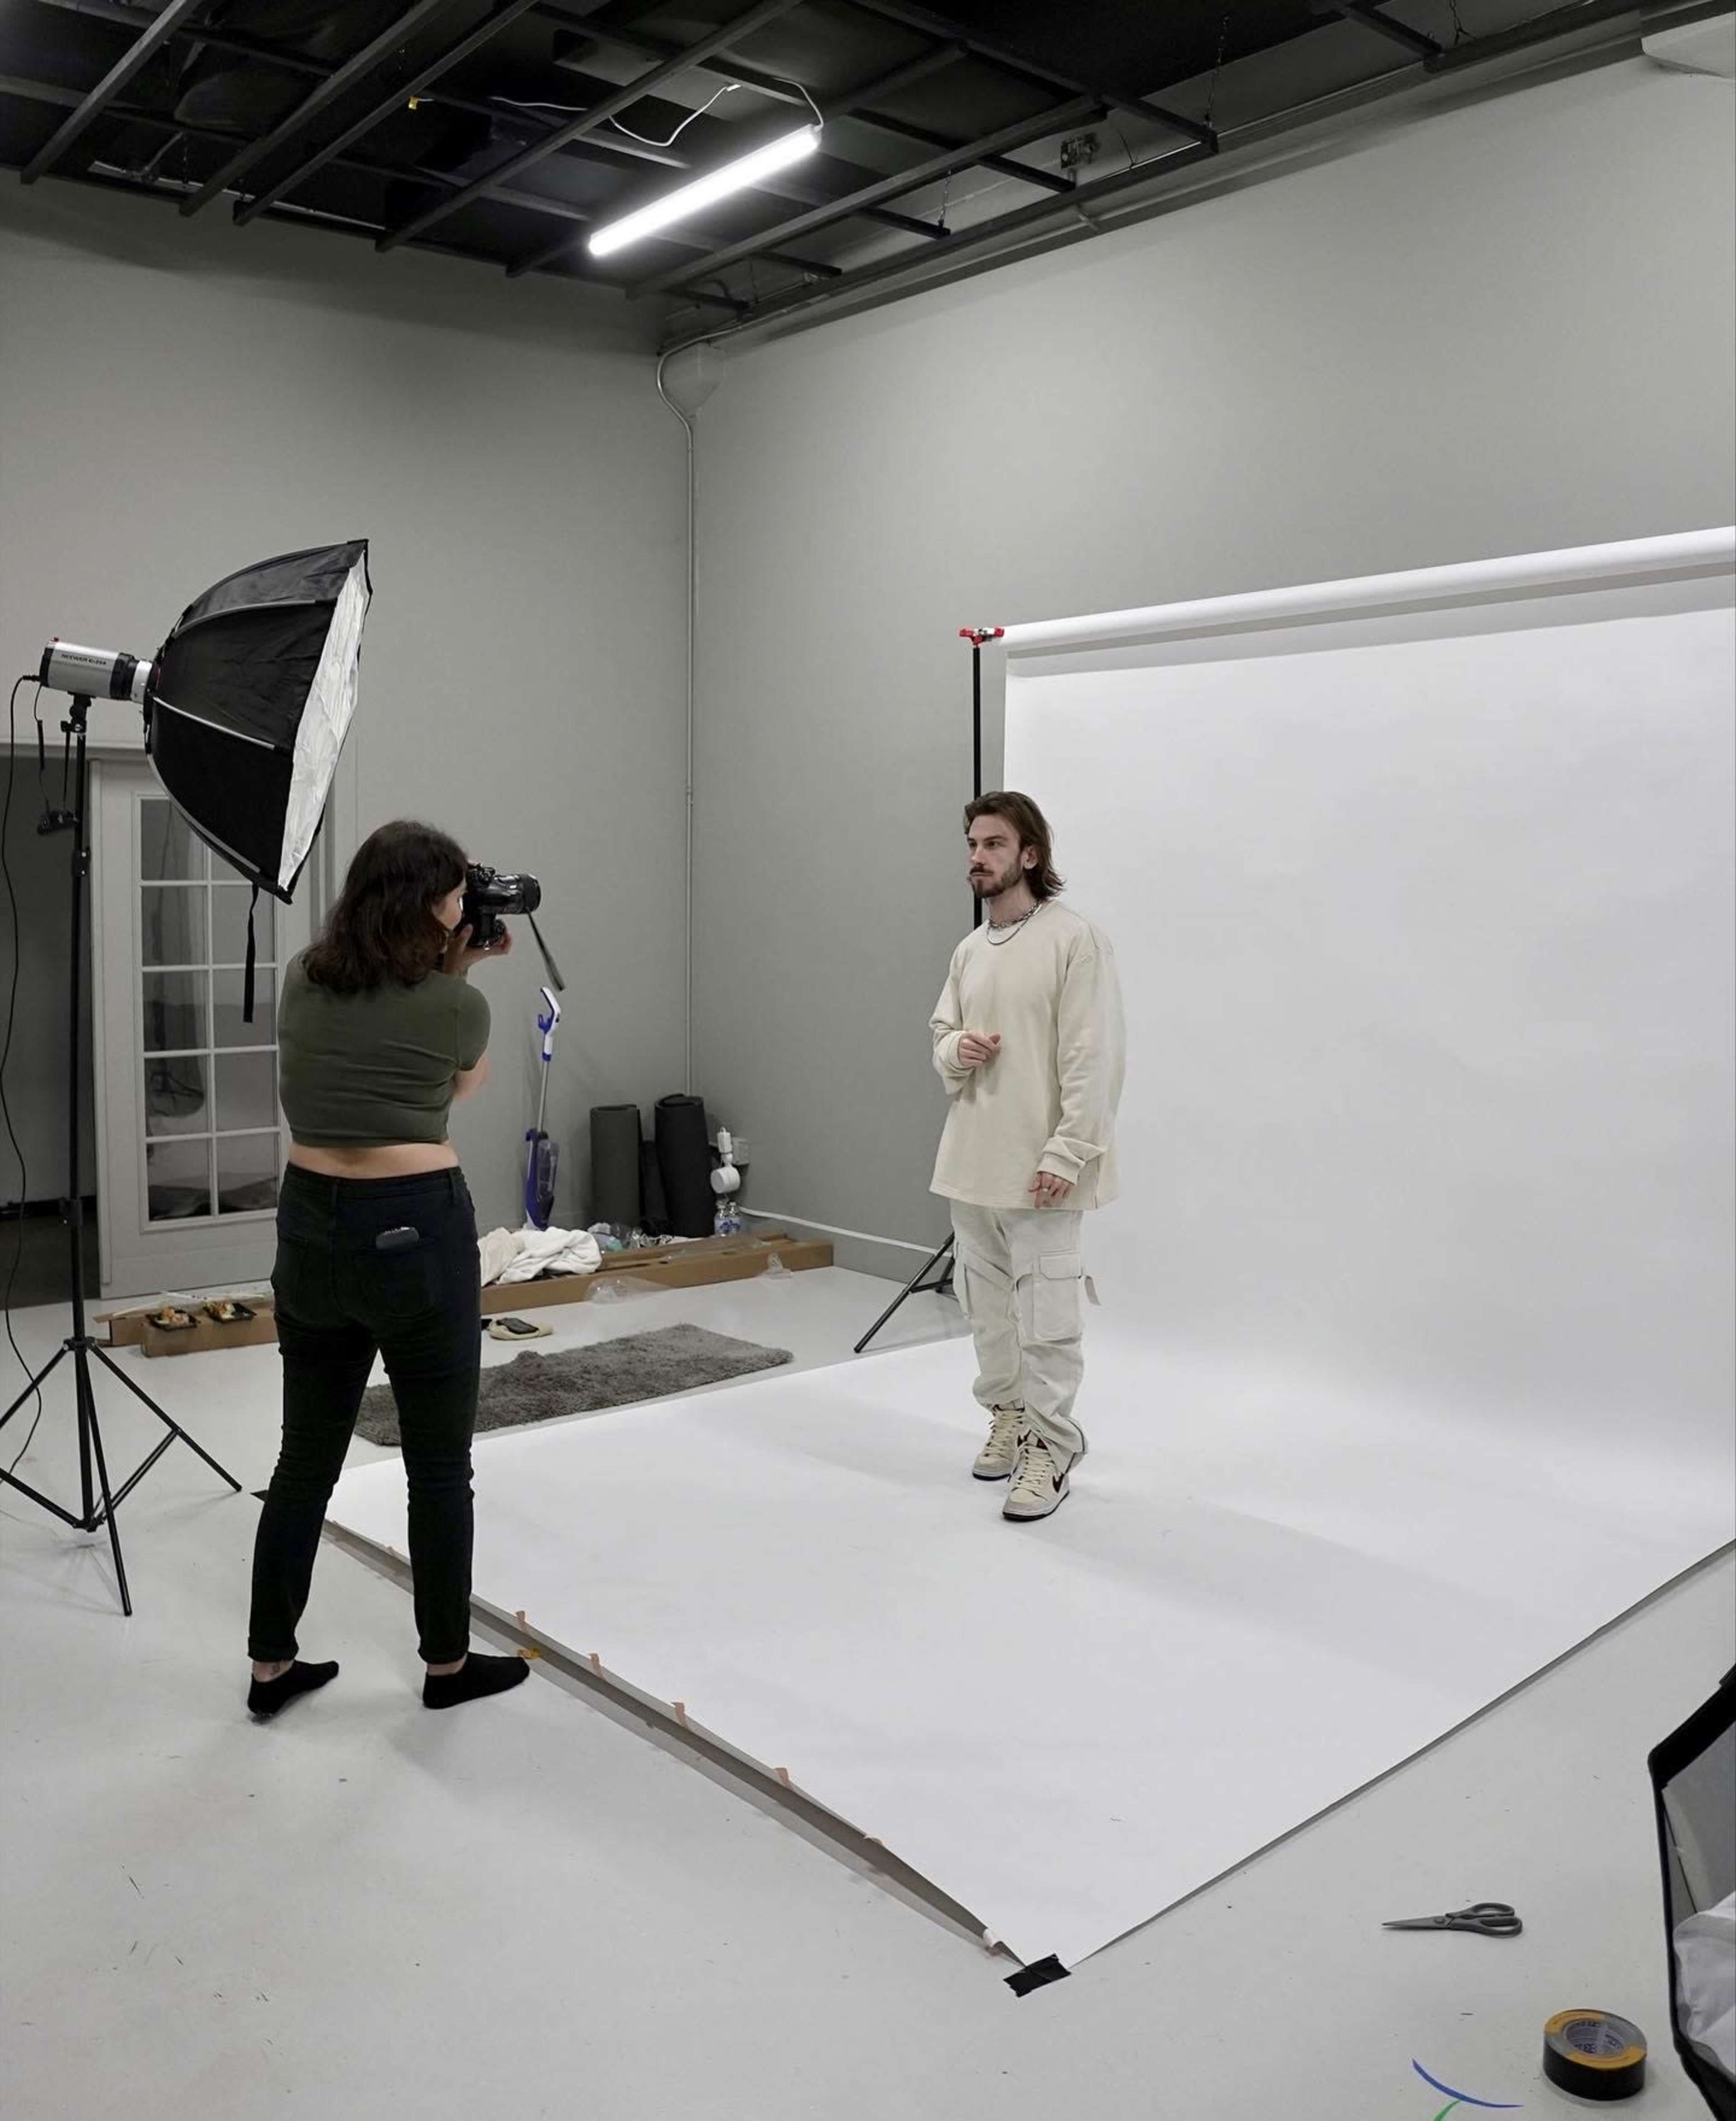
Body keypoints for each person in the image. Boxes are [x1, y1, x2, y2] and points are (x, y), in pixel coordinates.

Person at [245, 820, 527, 1717]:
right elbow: (457, 1087)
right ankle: (447, 1667)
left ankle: (269, 1669)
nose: (462, 909)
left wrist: (447, 967)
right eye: (452, 897)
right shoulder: (459, 1006)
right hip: (415, 1231)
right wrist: (464, 971)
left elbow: (378, 1037)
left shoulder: (301, 979)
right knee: (439, 1467)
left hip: (310, 1231)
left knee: (304, 1462)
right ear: (428, 908)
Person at [929, 793, 1125, 1522]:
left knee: (1047, 1319)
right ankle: (1009, 1417)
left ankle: (1053, 1446)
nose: (977, 858)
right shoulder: (970, 950)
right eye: (972, 845)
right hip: (972, 1163)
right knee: (986, 1312)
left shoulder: (1075, 940)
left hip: (1043, 1169)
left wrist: (1069, 1152)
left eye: (993, 845)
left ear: (1030, 855)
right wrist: (958, 1048)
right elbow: (940, 1033)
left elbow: (1092, 1057)